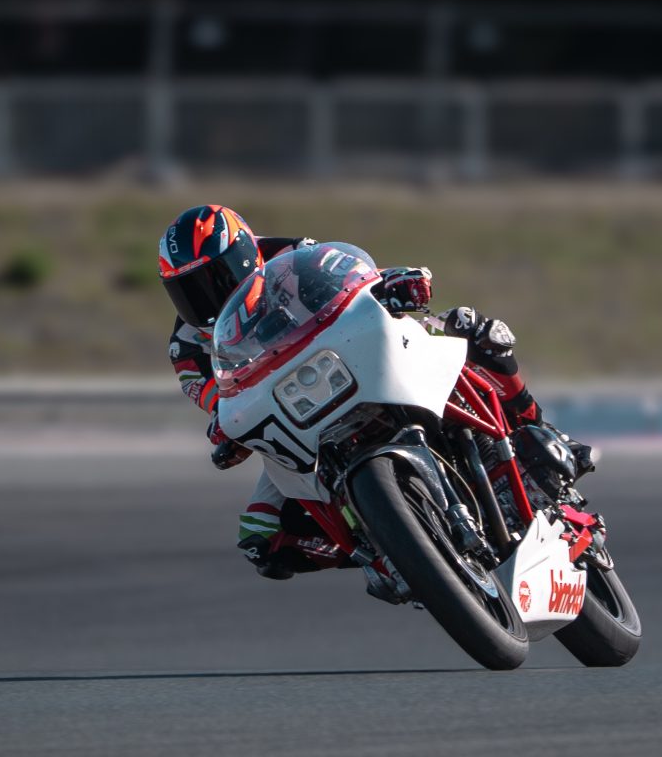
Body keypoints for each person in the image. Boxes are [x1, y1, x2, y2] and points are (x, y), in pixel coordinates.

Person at [155, 203, 582, 578]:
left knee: (475, 331)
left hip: (352, 362)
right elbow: (219, 404)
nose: (205, 297)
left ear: (245, 254)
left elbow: (356, 280)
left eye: (213, 278)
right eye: (187, 289)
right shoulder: (187, 348)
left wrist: (395, 284)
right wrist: (226, 430)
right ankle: (388, 553)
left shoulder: (290, 254)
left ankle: (538, 432)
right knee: (261, 541)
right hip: (296, 414)